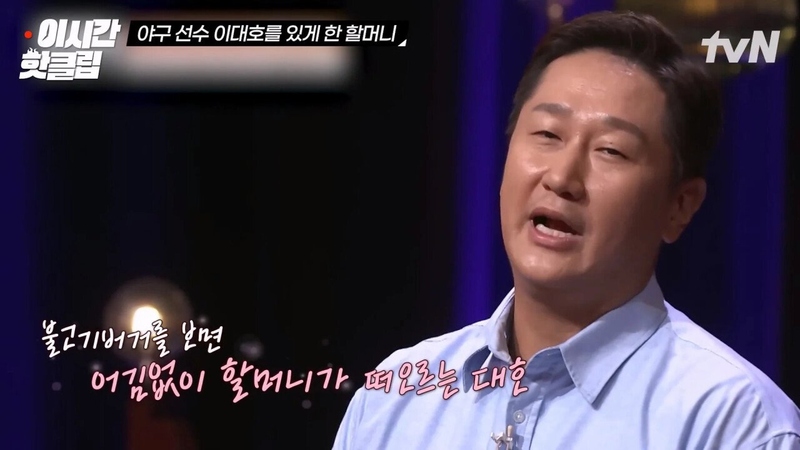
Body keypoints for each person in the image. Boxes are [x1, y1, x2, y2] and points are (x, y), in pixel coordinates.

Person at [332, 11, 800, 450]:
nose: (561, 178)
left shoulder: (734, 423)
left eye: (611, 150)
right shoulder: (396, 399)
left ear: (679, 206)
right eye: (548, 135)